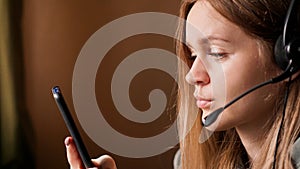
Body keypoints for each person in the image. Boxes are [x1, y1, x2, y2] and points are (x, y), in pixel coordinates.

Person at [65, 0, 300, 168]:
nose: (192, 75)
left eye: (217, 53)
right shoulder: (190, 162)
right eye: (192, 54)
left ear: (287, 59)